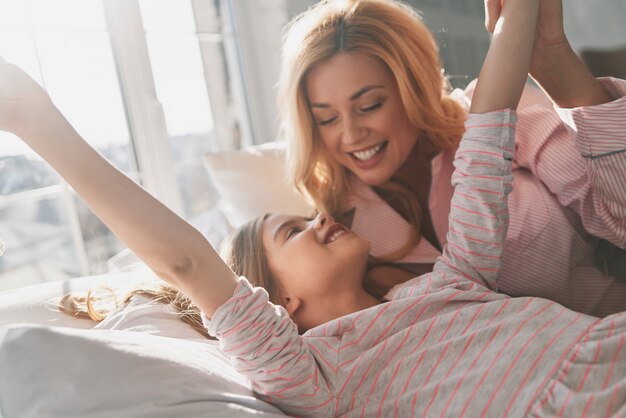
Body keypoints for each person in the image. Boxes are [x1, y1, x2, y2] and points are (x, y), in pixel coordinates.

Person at [1, 0, 625, 415]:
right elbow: (187, 262)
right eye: (296, 228)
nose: (323, 215)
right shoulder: (311, 372)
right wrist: (35, 119)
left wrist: (526, 21)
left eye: (368, 104)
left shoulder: (454, 281)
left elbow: (487, 132)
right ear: (278, 304)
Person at [279, 0, 626, 317]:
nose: (352, 134)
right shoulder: (341, 240)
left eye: (370, 106)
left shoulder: (503, 112)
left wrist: (554, 58)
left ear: (414, 87)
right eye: (327, 118)